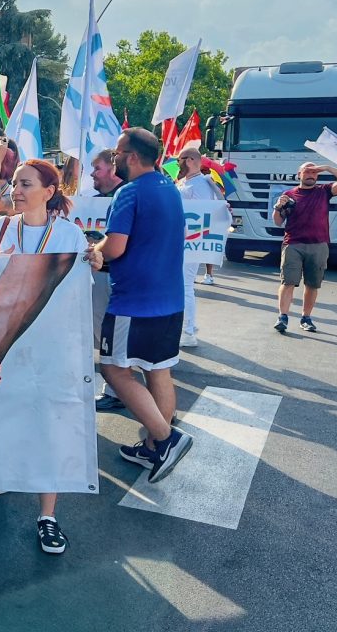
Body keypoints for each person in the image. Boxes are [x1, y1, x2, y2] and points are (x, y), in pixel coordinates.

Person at [0, 158, 96, 554]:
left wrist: (94, 260)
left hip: (50, 350)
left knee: (47, 425)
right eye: (15, 183)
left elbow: (79, 286)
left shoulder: (69, 236)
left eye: (25, 184)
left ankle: (47, 516)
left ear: (49, 192)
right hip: (1, 348)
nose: (15, 190)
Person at [94, 128, 193, 484]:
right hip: (169, 299)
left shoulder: (129, 191)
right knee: (157, 371)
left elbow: (115, 247)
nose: (115, 157)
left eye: (118, 153)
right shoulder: (169, 188)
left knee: (114, 371)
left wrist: (94, 252)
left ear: (132, 156)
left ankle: (167, 439)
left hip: (135, 302)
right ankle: (153, 445)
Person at [271, 161, 337, 333]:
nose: (311, 175)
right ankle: (282, 317)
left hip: (318, 244)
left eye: (315, 173)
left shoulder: (324, 192)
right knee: (288, 282)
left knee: (312, 284)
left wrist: (327, 168)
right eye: (307, 171)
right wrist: (279, 206)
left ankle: (306, 318)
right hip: (293, 243)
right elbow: (278, 221)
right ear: (299, 174)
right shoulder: (289, 194)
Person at [88, 148, 127, 413]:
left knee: (109, 334)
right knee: (101, 332)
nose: (92, 173)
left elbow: (116, 243)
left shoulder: (125, 196)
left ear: (112, 169)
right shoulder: (91, 198)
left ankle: (116, 389)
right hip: (98, 274)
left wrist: (97, 244)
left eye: (97, 168)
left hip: (111, 275)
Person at [175, 147, 224, 347]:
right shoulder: (186, 182)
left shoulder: (202, 183)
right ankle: (187, 326)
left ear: (188, 161)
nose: (177, 164)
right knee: (181, 286)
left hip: (191, 241)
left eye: (179, 160)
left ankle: (187, 332)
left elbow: (204, 213)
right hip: (181, 240)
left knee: (185, 285)